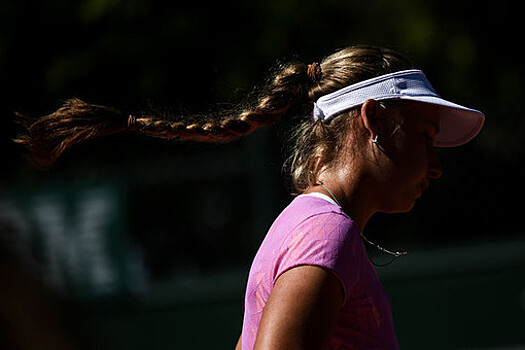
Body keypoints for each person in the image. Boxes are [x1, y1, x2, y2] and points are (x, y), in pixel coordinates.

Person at [15, 45, 484, 349]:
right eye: (425, 136)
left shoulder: (309, 225)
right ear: (374, 121)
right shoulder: (327, 234)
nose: (436, 163)